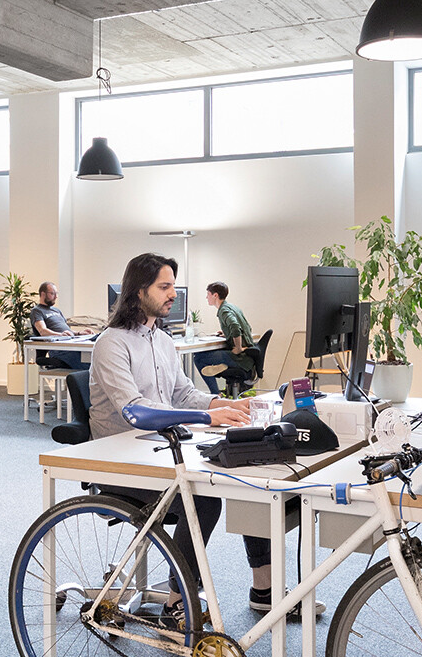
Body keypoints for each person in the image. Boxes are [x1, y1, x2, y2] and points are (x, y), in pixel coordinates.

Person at [91, 253, 317, 617]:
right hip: (121, 462)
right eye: (164, 288)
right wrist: (204, 415)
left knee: (247, 475)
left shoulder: (161, 341)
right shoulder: (111, 343)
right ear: (138, 291)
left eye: (172, 288)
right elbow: (135, 410)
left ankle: (265, 590)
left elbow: (182, 393)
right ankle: (178, 601)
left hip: (160, 450)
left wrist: (222, 405)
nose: (172, 296)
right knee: (202, 497)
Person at [193, 281, 255, 395]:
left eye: (208, 294)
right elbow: (247, 328)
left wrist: (238, 347)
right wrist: (227, 333)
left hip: (241, 359)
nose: (207, 297)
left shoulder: (224, 311)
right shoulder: (231, 307)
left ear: (215, 295)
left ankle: (216, 394)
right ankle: (220, 367)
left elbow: (236, 327)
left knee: (198, 358)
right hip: (249, 357)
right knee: (205, 355)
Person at [30, 281, 87, 371]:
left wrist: (80, 333)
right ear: (43, 294)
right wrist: (60, 335)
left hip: (71, 344)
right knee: (86, 361)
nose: (56, 296)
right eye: (52, 293)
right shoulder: (37, 311)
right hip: (59, 349)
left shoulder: (57, 311)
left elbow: (66, 331)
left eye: (56, 294)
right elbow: (42, 331)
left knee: (91, 354)